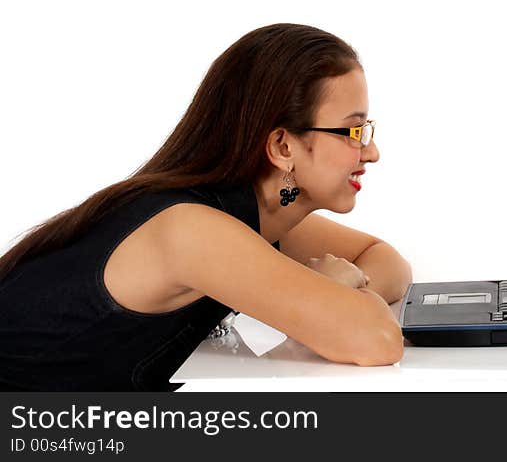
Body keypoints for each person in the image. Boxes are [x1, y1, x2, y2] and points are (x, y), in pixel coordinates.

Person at [0, 23, 411, 391]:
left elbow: (385, 261)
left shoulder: (252, 214)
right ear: (283, 146)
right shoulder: (191, 229)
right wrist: (330, 302)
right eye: (354, 131)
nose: (371, 152)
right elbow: (377, 340)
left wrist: (335, 298)